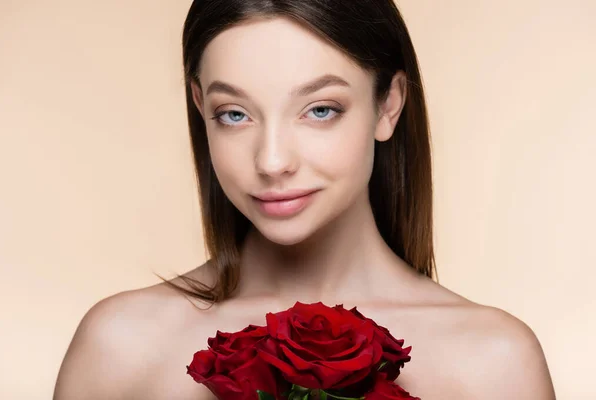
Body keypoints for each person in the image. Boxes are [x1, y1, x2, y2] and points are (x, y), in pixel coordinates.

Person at [53, 0, 556, 399]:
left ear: (389, 104)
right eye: (234, 114)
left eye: (319, 110)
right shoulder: (118, 344)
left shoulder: (495, 362)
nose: (272, 161)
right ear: (198, 105)